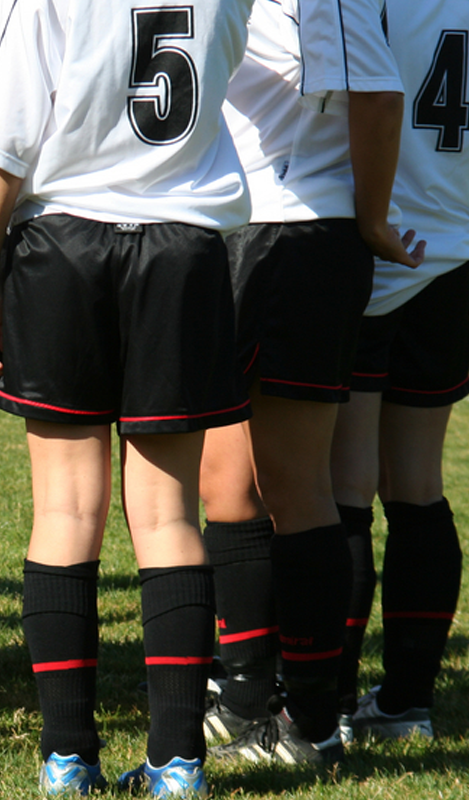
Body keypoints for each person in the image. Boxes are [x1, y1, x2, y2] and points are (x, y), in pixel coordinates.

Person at [0, 0, 255, 793]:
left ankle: (66, 758)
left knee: (64, 510)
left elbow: (6, 138)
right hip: (183, 243)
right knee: (169, 516)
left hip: (66, 241)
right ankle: (179, 763)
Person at [198, 0, 423, 766]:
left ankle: (313, 722)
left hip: (293, 232)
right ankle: (243, 699)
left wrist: (371, 219)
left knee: (295, 488)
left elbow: (380, 92)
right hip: (243, 228)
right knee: (228, 482)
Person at [329, 0, 467, 742]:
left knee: (344, 482)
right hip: (456, 255)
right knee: (417, 481)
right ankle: (407, 703)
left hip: (379, 250)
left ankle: (327, 697)